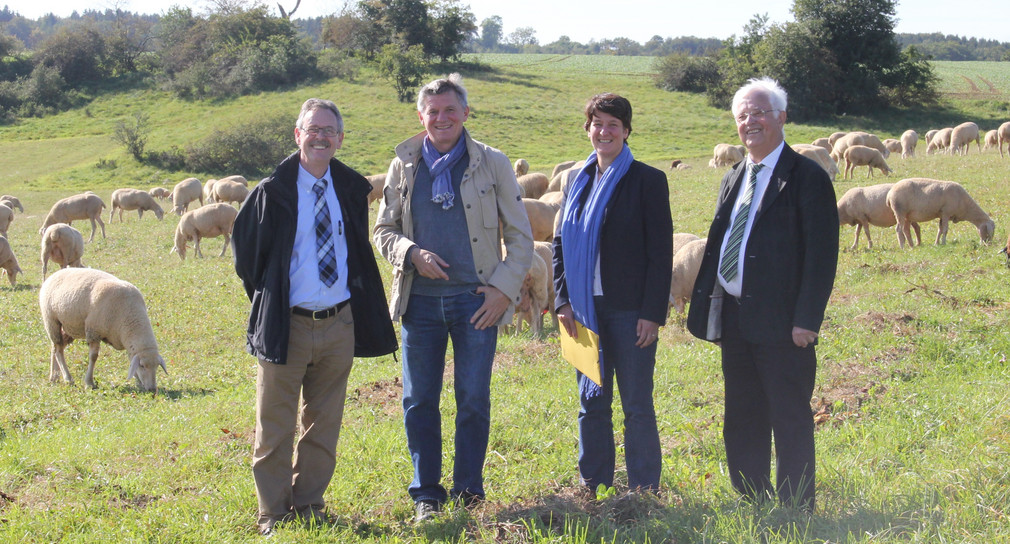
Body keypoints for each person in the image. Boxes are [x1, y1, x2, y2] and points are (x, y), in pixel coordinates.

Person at [232, 98, 398, 536]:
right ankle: (272, 512)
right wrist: (273, 299)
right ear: (298, 134)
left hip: (339, 324)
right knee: (275, 425)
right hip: (287, 324)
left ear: (340, 139)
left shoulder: (351, 189)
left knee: (324, 424)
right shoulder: (271, 191)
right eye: (313, 128)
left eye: (329, 130)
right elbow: (248, 260)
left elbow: (358, 252)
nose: (321, 136)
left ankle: (309, 504)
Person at [373, 74, 533, 522]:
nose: (441, 118)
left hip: (475, 301)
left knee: (473, 397)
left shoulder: (493, 163)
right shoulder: (403, 165)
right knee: (418, 399)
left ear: (465, 114)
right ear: (420, 116)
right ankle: (426, 493)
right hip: (419, 302)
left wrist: (503, 290)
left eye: (449, 110)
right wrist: (411, 252)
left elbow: (521, 237)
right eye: (432, 111)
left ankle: (469, 490)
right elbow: (383, 231)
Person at [687, 77, 838, 511]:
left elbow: (822, 255)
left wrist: (807, 319)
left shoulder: (806, 177)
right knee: (742, 414)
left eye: (759, 113)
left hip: (784, 321)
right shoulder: (734, 176)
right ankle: (753, 496)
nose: (750, 122)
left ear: (781, 117)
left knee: (788, 414)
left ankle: (795, 505)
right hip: (735, 317)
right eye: (742, 116)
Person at [553, 93, 673, 494]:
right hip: (583, 312)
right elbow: (558, 246)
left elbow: (660, 254)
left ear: (626, 131)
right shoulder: (575, 180)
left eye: (613, 125)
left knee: (637, 404)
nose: (604, 131)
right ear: (588, 128)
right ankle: (593, 484)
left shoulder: (648, 181)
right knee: (592, 403)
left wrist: (652, 313)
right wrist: (562, 300)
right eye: (597, 123)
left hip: (629, 312)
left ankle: (643, 490)